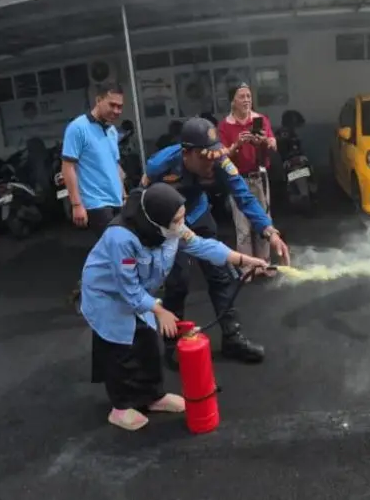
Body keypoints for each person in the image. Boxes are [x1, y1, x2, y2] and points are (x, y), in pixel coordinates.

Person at [80, 183, 270, 431]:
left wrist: (245, 260)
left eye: (183, 218)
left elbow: (202, 245)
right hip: (107, 296)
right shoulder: (122, 239)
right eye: (177, 220)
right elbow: (127, 289)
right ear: (158, 220)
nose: (182, 225)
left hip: (139, 295)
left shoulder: (168, 228)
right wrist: (160, 311)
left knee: (147, 342)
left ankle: (153, 397)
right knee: (121, 349)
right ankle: (121, 407)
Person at [140, 116, 292, 369]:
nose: (211, 164)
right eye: (203, 158)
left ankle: (233, 337)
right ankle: (174, 345)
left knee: (221, 275)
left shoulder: (218, 159)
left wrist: (270, 232)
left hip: (198, 214)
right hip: (169, 225)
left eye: (214, 155)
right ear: (187, 153)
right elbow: (143, 197)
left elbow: (243, 195)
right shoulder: (161, 164)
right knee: (178, 283)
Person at [62, 83, 128, 305]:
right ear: (98, 100)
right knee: (115, 248)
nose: (117, 111)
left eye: (120, 107)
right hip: (95, 203)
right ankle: (107, 295)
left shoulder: (110, 131)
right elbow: (68, 166)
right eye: (112, 105)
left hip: (115, 199)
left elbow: (115, 165)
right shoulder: (77, 128)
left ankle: (86, 290)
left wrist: (125, 195)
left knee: (110, 251)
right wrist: (76, 204)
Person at [216, 83, 276, 274]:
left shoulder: (260, 120)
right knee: (242, 228)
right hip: (237, 180)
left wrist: (263, 141)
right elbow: (221, 154)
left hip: (259, 177)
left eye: (249, 96)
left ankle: (263, 264)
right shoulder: (225, 125)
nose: (247, 100)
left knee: (264, 221)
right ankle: (248, 268)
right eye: (242, 97)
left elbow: (273, 144)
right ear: (232, 101)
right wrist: (237, 145)